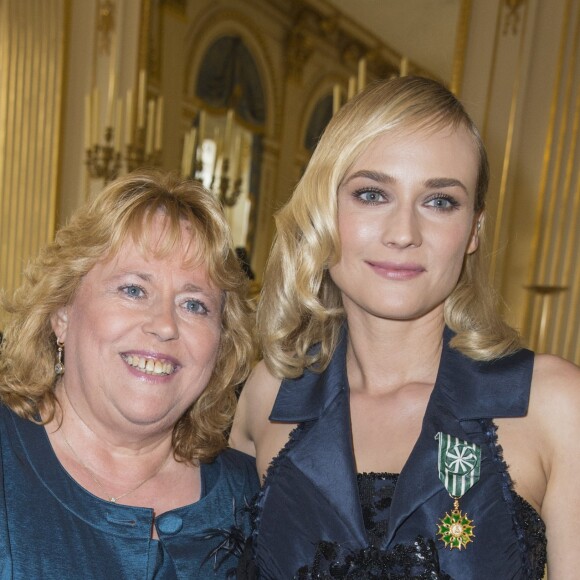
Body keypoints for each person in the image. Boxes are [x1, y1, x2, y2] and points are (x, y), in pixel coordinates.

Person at [230, 76, 580, 579]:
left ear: (474, 230)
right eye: (372, 194)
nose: (403, 234)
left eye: (439, 201)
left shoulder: (551, 404)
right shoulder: (268, 397)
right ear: (323, 211)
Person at [0, 171, 260, 578]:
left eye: (194, 305)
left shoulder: (249, 498)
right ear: (62, 312)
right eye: (134, 290)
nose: (165, 325)